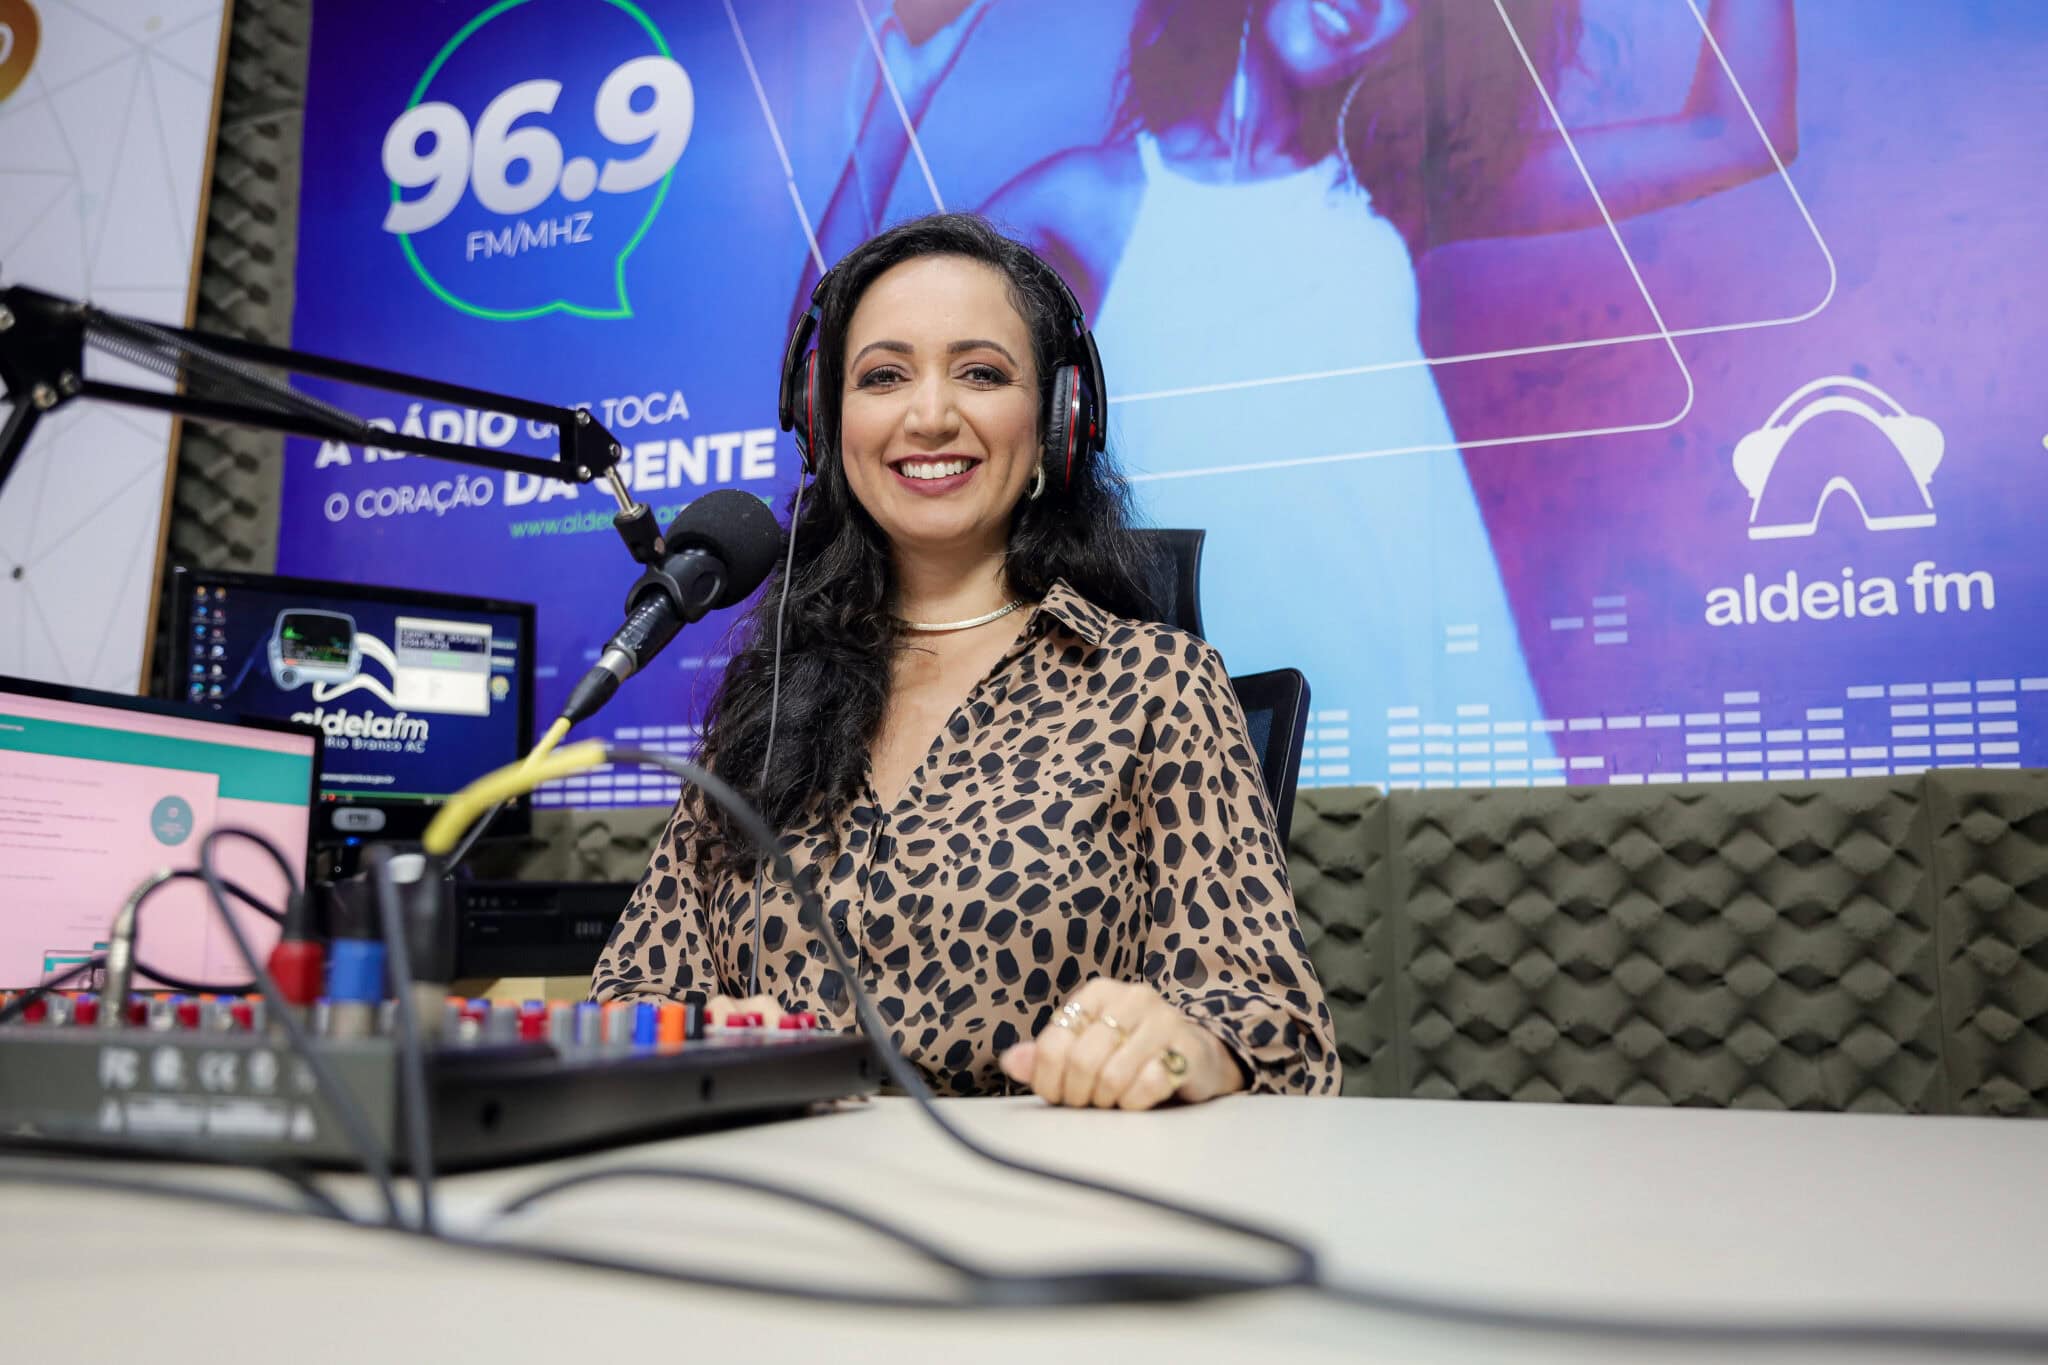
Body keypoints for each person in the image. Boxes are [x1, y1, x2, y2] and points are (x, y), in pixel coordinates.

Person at [801, 0, 1799, 785]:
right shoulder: (1093, 200)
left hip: (1411, 718)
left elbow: (1738, 133)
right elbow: (826, 383)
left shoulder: (1397, 191)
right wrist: (899, 90)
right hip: (1192, 737)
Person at [595, 212, 1340, 1106]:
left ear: (1060, 419)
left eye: (981, 373)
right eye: (884, 376)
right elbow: (633, 990)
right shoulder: (771, 695)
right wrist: (689, 1037)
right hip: (780, 1182)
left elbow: (1279, 1032)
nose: (930, 415)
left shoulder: (1157, 684)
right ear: (825, 425)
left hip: (1045, 1186)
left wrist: (1189, 1050)